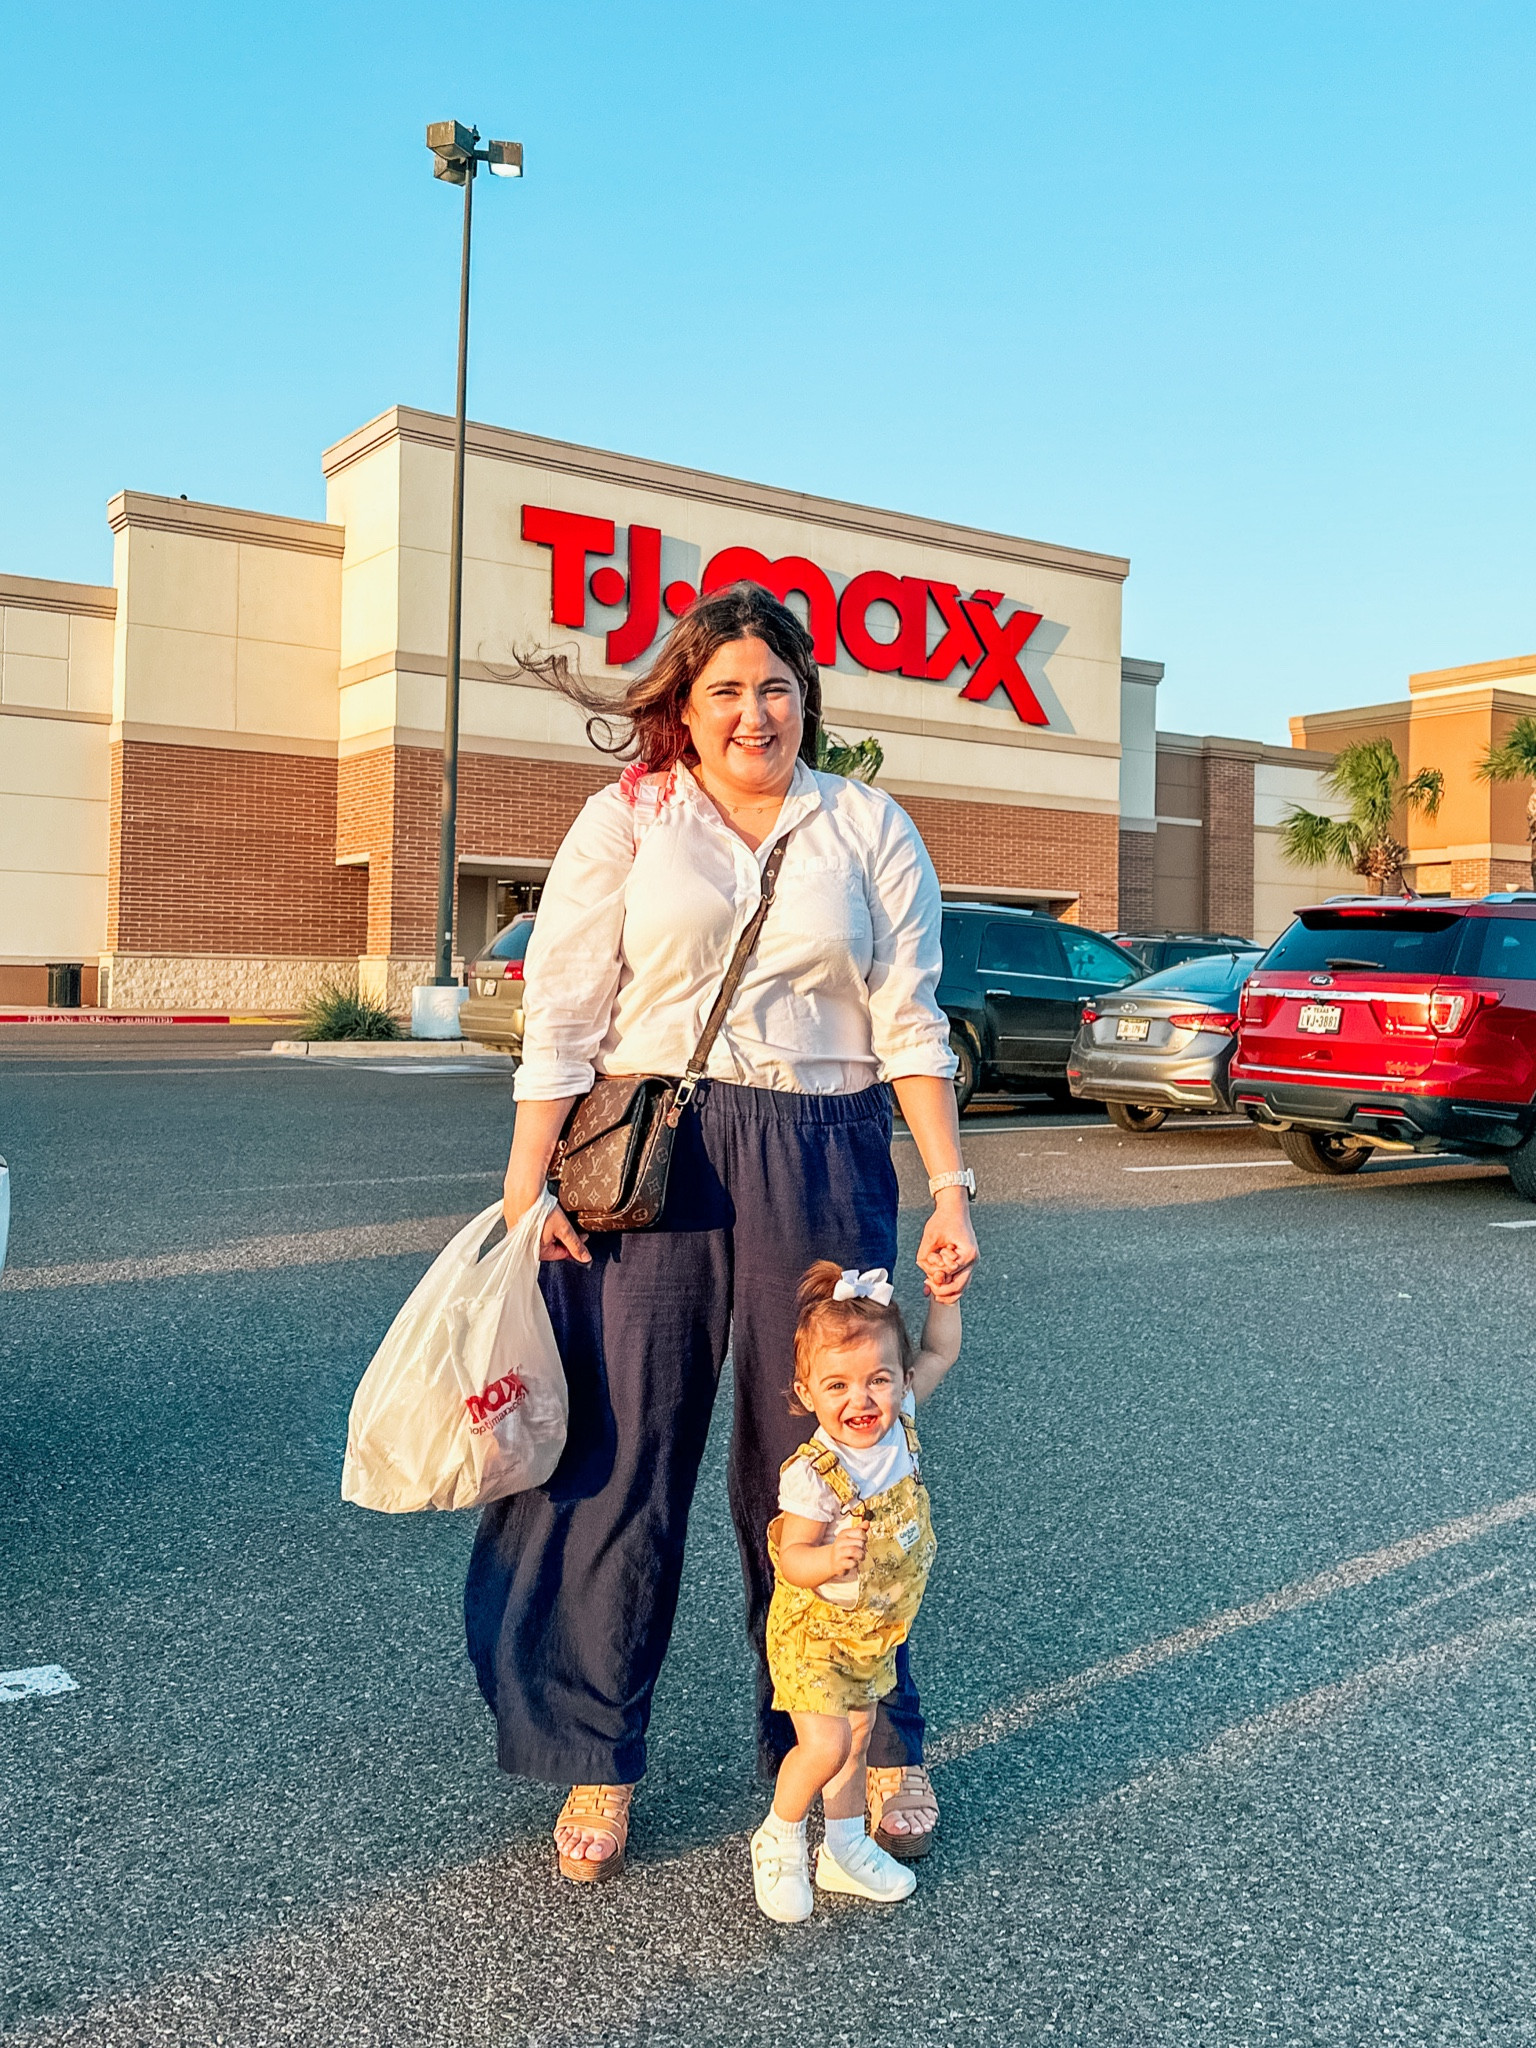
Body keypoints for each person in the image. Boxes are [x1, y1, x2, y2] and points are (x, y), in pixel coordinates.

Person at [463, 581, 979, 1883]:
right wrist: (527, 1189)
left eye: (776, 688)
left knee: (835, 1455)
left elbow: (909, 1017)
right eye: (726, 691)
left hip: (825, 1148)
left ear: (808, 700)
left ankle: (870, 1734)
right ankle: (598, 1751)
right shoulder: (629, 817)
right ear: (684, 709)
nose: (755, 713)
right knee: (620, 1457)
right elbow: (564, 1013)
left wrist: (949, 1185)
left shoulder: (865, 823)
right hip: (652, 1158)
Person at [751, 1260, 960, 1923]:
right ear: (806, 1392)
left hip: (868, 1630)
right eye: (837, 1385)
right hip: (813, 1634)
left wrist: (944, 1299)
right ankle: (779, 1837)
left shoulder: (900, 1428)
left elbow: (940, 1350)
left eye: (878, 1380)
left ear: (901, 1382)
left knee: (861, 1734)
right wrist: (827, 1557)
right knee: (826, 1746)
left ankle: (842, 1849)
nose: (861, 1400)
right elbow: (790, 1558)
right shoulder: (816, 1473)